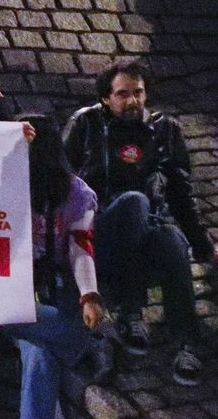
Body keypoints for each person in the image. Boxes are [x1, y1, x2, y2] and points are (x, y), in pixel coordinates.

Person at [63, 60, 210, 385]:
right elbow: (61, 183)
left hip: (145, 235)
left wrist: (204, 247)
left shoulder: (165, 130)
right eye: (123, 94)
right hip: (97, 237)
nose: (132, 101)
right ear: (106, 98)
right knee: (134, 201)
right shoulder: (85, 124)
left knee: (172, 238)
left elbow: (181, 194)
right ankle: (130, 312)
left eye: (138, 93)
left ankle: (186, 342)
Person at [2, 115, 107, 419]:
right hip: (10, 297)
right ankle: (87, 343)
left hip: (53, 299)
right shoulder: (0, 186)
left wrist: (89, 295)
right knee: (49, 332)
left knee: (39, 352)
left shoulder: (77, 194)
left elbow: (81, 246)